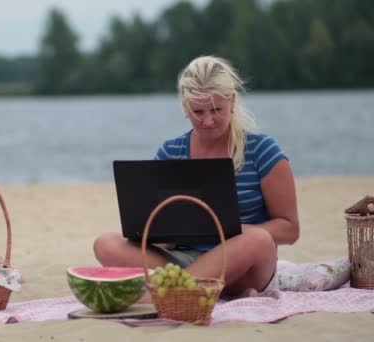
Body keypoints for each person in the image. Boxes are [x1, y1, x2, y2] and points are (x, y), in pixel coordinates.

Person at [93, 56, 300, 297]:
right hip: (183, 261)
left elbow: (290, 229)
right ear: (184, 107)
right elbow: (158, 231)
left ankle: (175, 290)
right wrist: (158, 235)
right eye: (198, 111)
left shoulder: (262, 150)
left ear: (232, 101)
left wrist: (235, 230)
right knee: (105, 244)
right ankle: (190, 286)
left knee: (259, 240)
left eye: (216, 110)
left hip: (243, 267)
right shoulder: (171, 152)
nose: (208, 120)